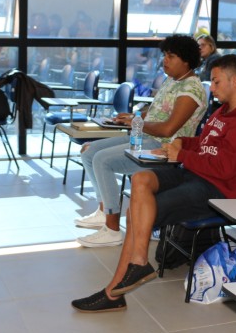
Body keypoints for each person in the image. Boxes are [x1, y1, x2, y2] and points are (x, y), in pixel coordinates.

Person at [71, 54, 236, 312]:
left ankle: (113, 292)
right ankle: (138, 263)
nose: (213, 88)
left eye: (217, 82)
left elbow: (227, 170)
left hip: (218, 191)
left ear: (234, 81)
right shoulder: (223, 111)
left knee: (136, 213)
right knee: (140, 178)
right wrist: (182, 143)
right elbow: (204, 143)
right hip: (196, 174)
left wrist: (183, 155)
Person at [74, 34, 207, 247]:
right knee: (89, 151)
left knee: (102, 160)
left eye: (171, 56)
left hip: (162, 148)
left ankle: (112, 227)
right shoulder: (172, 81)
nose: (165, 60)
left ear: (186, 60)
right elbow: (156, 114)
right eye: (164, 55)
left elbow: (168, 128)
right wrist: (133, 117)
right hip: (146, 137)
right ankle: (104, 209)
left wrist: (137, 123)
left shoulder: (191, 89)